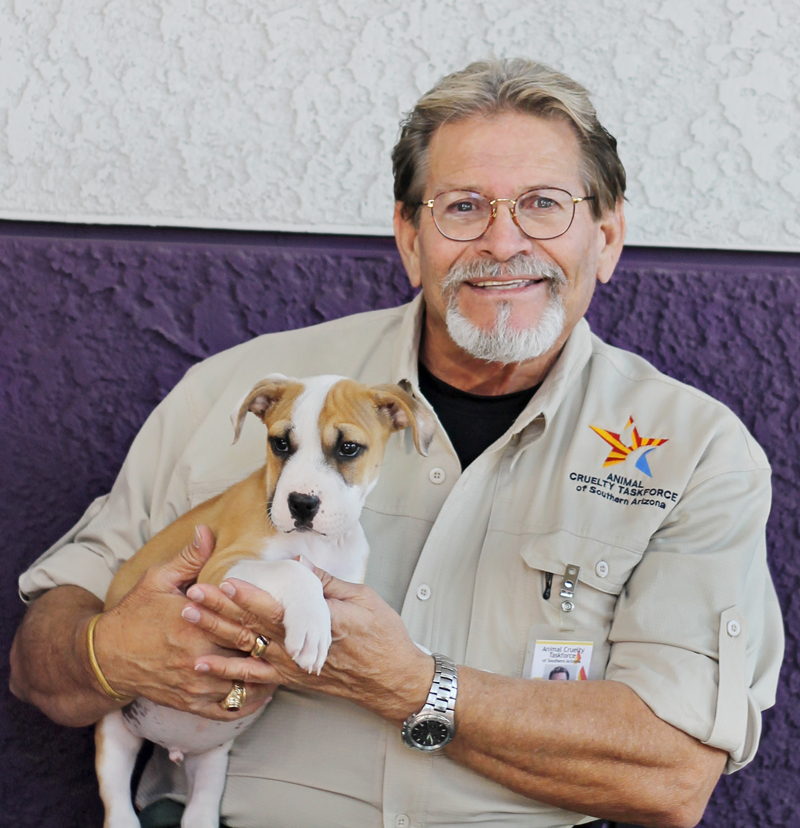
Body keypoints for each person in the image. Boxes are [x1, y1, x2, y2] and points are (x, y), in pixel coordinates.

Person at [10, 59, 783, 828]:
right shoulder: (238, 390)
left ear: (607, 237)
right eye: (461, 207)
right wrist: (108, 654)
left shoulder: (695, 452)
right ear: (410, 238)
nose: (502, 240)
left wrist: (413, 686)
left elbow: (671, 778)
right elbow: (39, 657)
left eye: (544, 205)